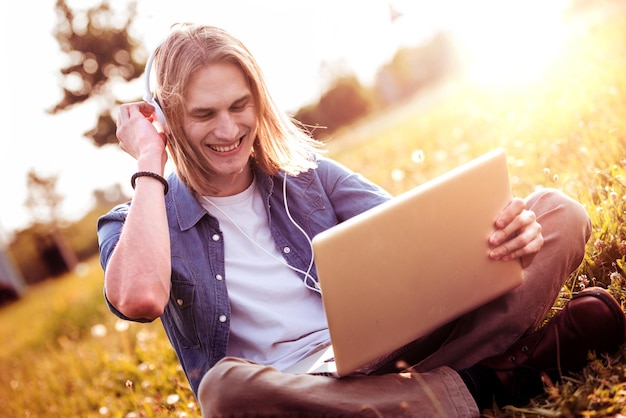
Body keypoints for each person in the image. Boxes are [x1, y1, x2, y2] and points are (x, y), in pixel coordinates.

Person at [98, 23, 625, 417]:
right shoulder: (136, 221)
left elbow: (416, 242)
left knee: (560, 213)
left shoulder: (308, 177)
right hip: (296, 396)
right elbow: (139, 297)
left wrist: (513, 234)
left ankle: (450, 390)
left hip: (385, 352)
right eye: (204, 114)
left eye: (240, 106)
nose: (230, 129)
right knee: (222, 391)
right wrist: (150, 159)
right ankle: (495, 381)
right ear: (166, 120)